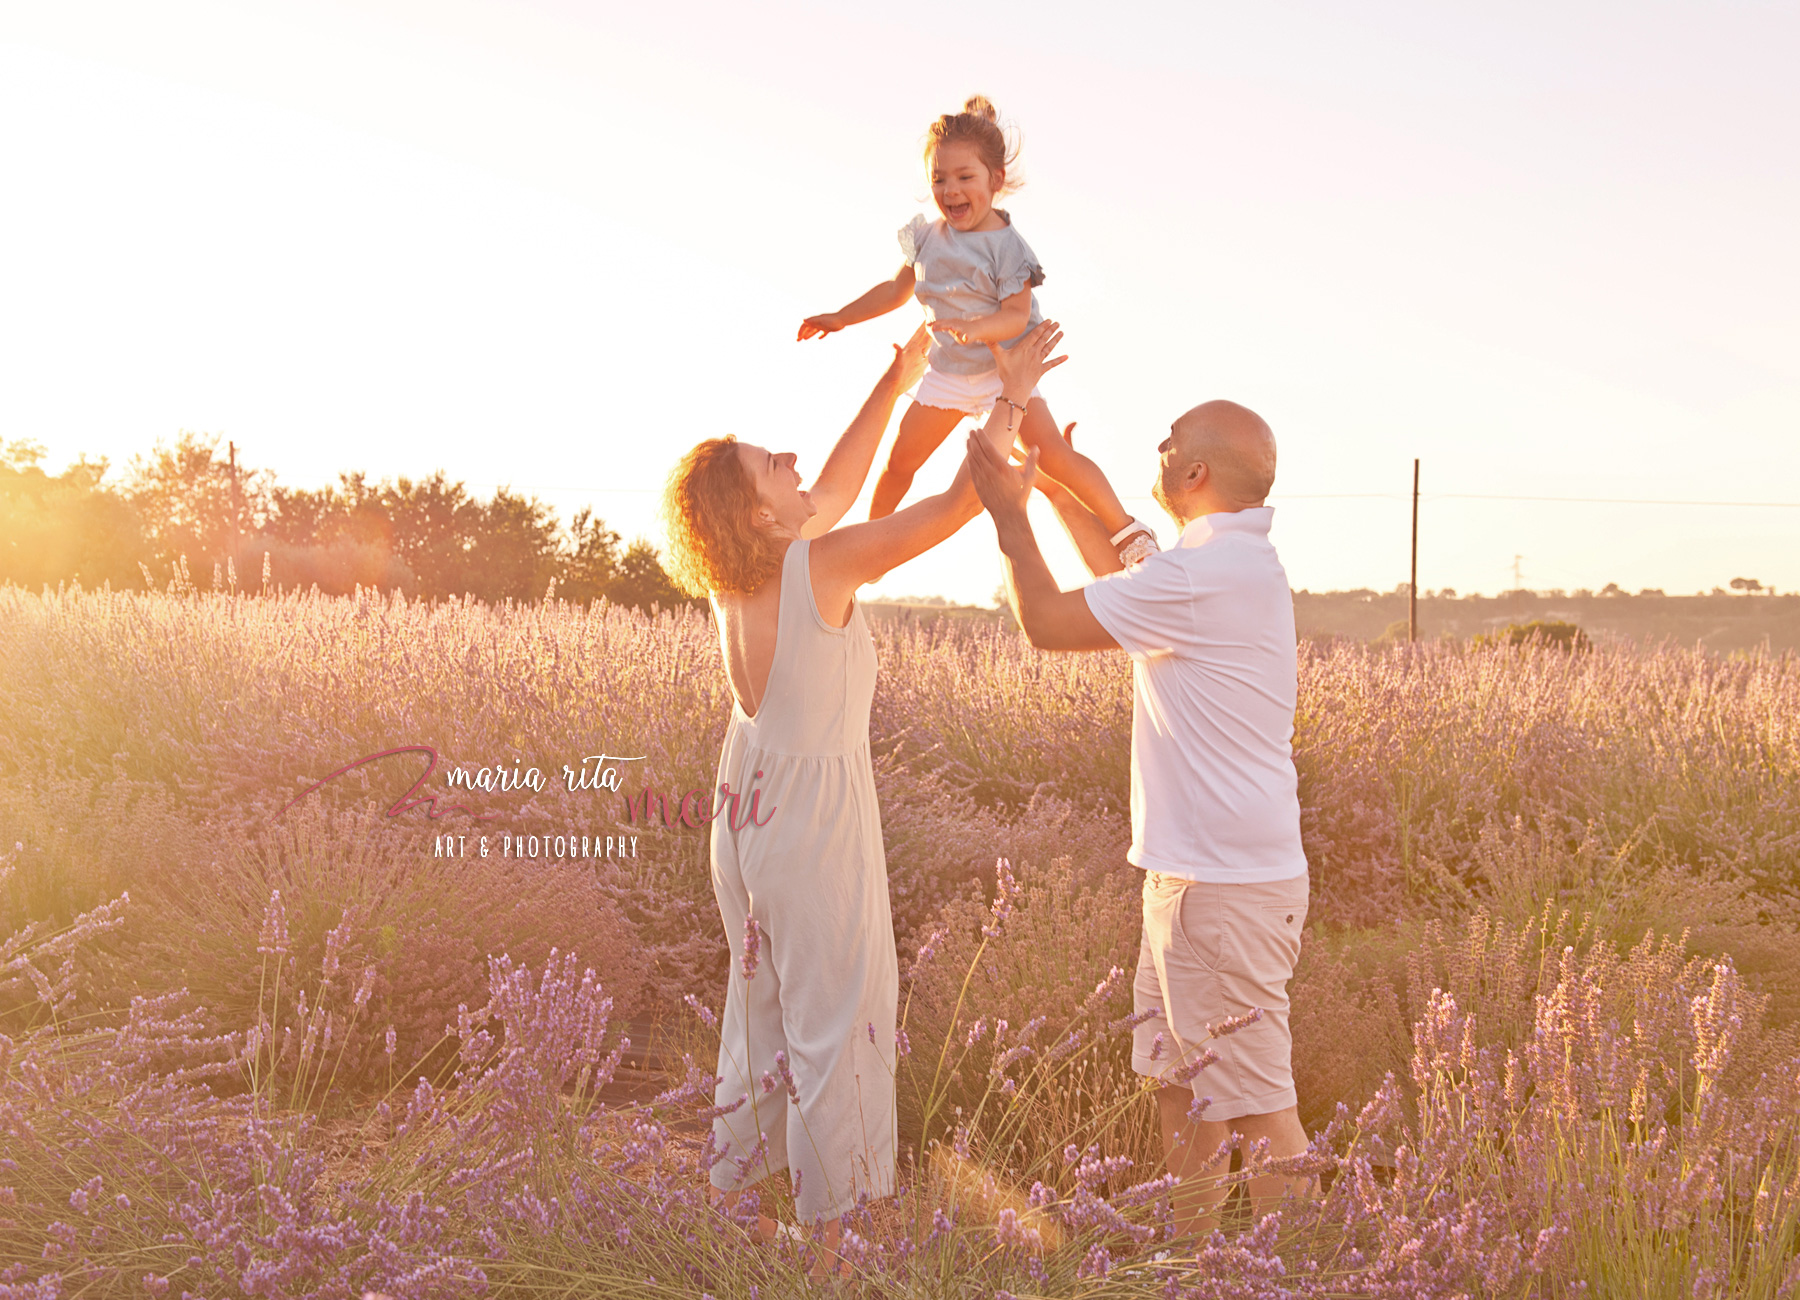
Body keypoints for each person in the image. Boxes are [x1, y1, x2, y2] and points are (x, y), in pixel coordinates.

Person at [659, 319, 1066, 1278]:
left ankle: (733, 1204)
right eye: (774, 465)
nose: (795, 461)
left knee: (761, 1006)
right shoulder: (820, 565)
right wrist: (1009, 398)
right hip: (809, 822)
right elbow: (953, 505)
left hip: (748, 808)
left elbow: (837, 486)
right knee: (840, 1016)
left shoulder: (746, 579)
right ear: (761, 516)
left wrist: (900, 376)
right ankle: (838, 1241)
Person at [963, 400, 1312, 1238]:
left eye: (1169, 442)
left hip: (1219, 889)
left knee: (1261, 1107)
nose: (1157, 448)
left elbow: (1047, 623)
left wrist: (1009, 516)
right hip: (1195, 883)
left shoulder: (1208, 573)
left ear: (1195, 474)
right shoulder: (1216, 564)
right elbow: (1129, 565)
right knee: (1186, 1093)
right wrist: (1054, 484)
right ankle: (1186, 1266)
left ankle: (1307, 1270)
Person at [796, 95, 1155, 563]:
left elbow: (1013, 313)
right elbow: (894, 290)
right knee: (901, 461)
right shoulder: (925, 238)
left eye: (965, 177)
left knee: (1051, 452)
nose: (950, 190)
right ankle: (869, 545)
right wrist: (840, 317)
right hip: (947, 372)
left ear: (996, 180)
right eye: (939, 178)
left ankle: (1128, 533)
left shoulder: (1008, 248)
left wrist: (974, 325)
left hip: (1004, 374)